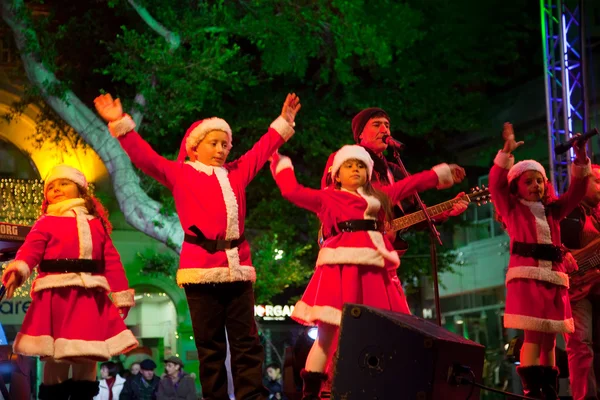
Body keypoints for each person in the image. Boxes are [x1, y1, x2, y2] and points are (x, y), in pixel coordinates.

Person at [94, 92, 301, 400]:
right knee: (210, 345)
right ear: (194, 146)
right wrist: (119, 123)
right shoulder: (181, 173)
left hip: (238, 266)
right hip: (200, 268)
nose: (220, 149)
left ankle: (252, 396)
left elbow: (262, 149)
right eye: (213, 143)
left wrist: (284, 122)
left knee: (247, 342)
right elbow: (144, 157)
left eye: (225, 143)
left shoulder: (237, 172)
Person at [269, 145, 465, 399]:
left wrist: (442, 173)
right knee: (327, 336)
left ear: (369, 173)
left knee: (388, 332)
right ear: (336, 175)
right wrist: (281, 164)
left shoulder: (381, 196)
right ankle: (311, 393)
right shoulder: (328, 197)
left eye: (360, 166)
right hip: (339, 271)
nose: (355, 170)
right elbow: (292, 191)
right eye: (349, 165)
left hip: (374, 273)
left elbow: (412, 184)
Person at [1, 164, 138, 400]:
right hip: (57, 296)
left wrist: (121, 295)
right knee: (56, 356)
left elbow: (112, 261)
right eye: (51, 187)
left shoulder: (97, 225)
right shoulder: (45, 222)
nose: (56, 189)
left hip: (89, 297)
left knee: (88, 354)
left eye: (63, 183)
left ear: (81, 190)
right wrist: (18, 271)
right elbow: (30, 252)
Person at [489, 122, 590, 399]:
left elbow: (578, 191)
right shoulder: (512, 209)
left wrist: (580, 159)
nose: (535, 186)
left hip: (554, 280)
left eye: (539, 181)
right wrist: (506, 153)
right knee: (533, 336)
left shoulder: (553, 211)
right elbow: (495, 184)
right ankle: (534, 391)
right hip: (528, 279)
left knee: (549, 339)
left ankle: (549, 390)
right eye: (528, 181)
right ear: (516, 186)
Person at [320, 108, 468, 291]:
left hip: (381, 257)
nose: (385, 130)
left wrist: (446, 211)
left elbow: (414, 214)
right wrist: (434, 176)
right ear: (360, 135)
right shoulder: (344, 161)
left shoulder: (394, 171)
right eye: (377, 124)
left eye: (387, 125)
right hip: (349, 252)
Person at [560, 163, 600, 399]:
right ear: (583, 183)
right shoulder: (567, 212)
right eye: (597, 181)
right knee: (581, 346)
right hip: (577, 290)